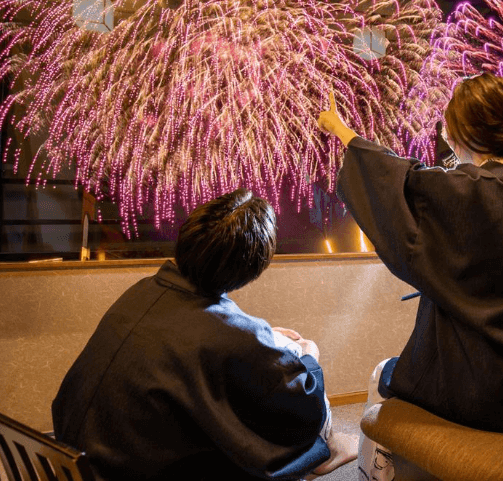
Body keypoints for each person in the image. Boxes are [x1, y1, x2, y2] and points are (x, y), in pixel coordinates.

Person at [317, 72, 503, 481]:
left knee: (383, 376)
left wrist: (340, 130)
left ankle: (388, 473)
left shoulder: (468, 192)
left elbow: (397, 183)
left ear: (461, 133)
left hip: (489, 396)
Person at [51, 189, 357, 481]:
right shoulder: (230, 334)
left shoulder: (143, 291)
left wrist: (259, 338)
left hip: (80, 459)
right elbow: (301, 408)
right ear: (252, 266)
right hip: (141, 471)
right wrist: (307, 355)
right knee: (276, 425)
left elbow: (196, 342)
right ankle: (331, 448)